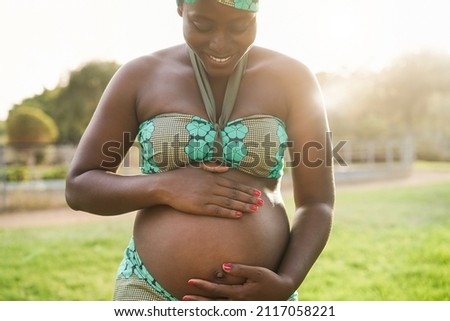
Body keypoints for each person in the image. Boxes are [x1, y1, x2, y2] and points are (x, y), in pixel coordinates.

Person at [65, 0, 335, 301]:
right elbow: (79, 186)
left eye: (239, 27)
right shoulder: (139, 76)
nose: (220, 43)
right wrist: (165, 187)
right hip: (148, 293)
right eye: (202, 25)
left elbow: (317, 203)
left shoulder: (293, 78)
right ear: (181, 7)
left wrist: (285, 282)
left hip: (261, 300)